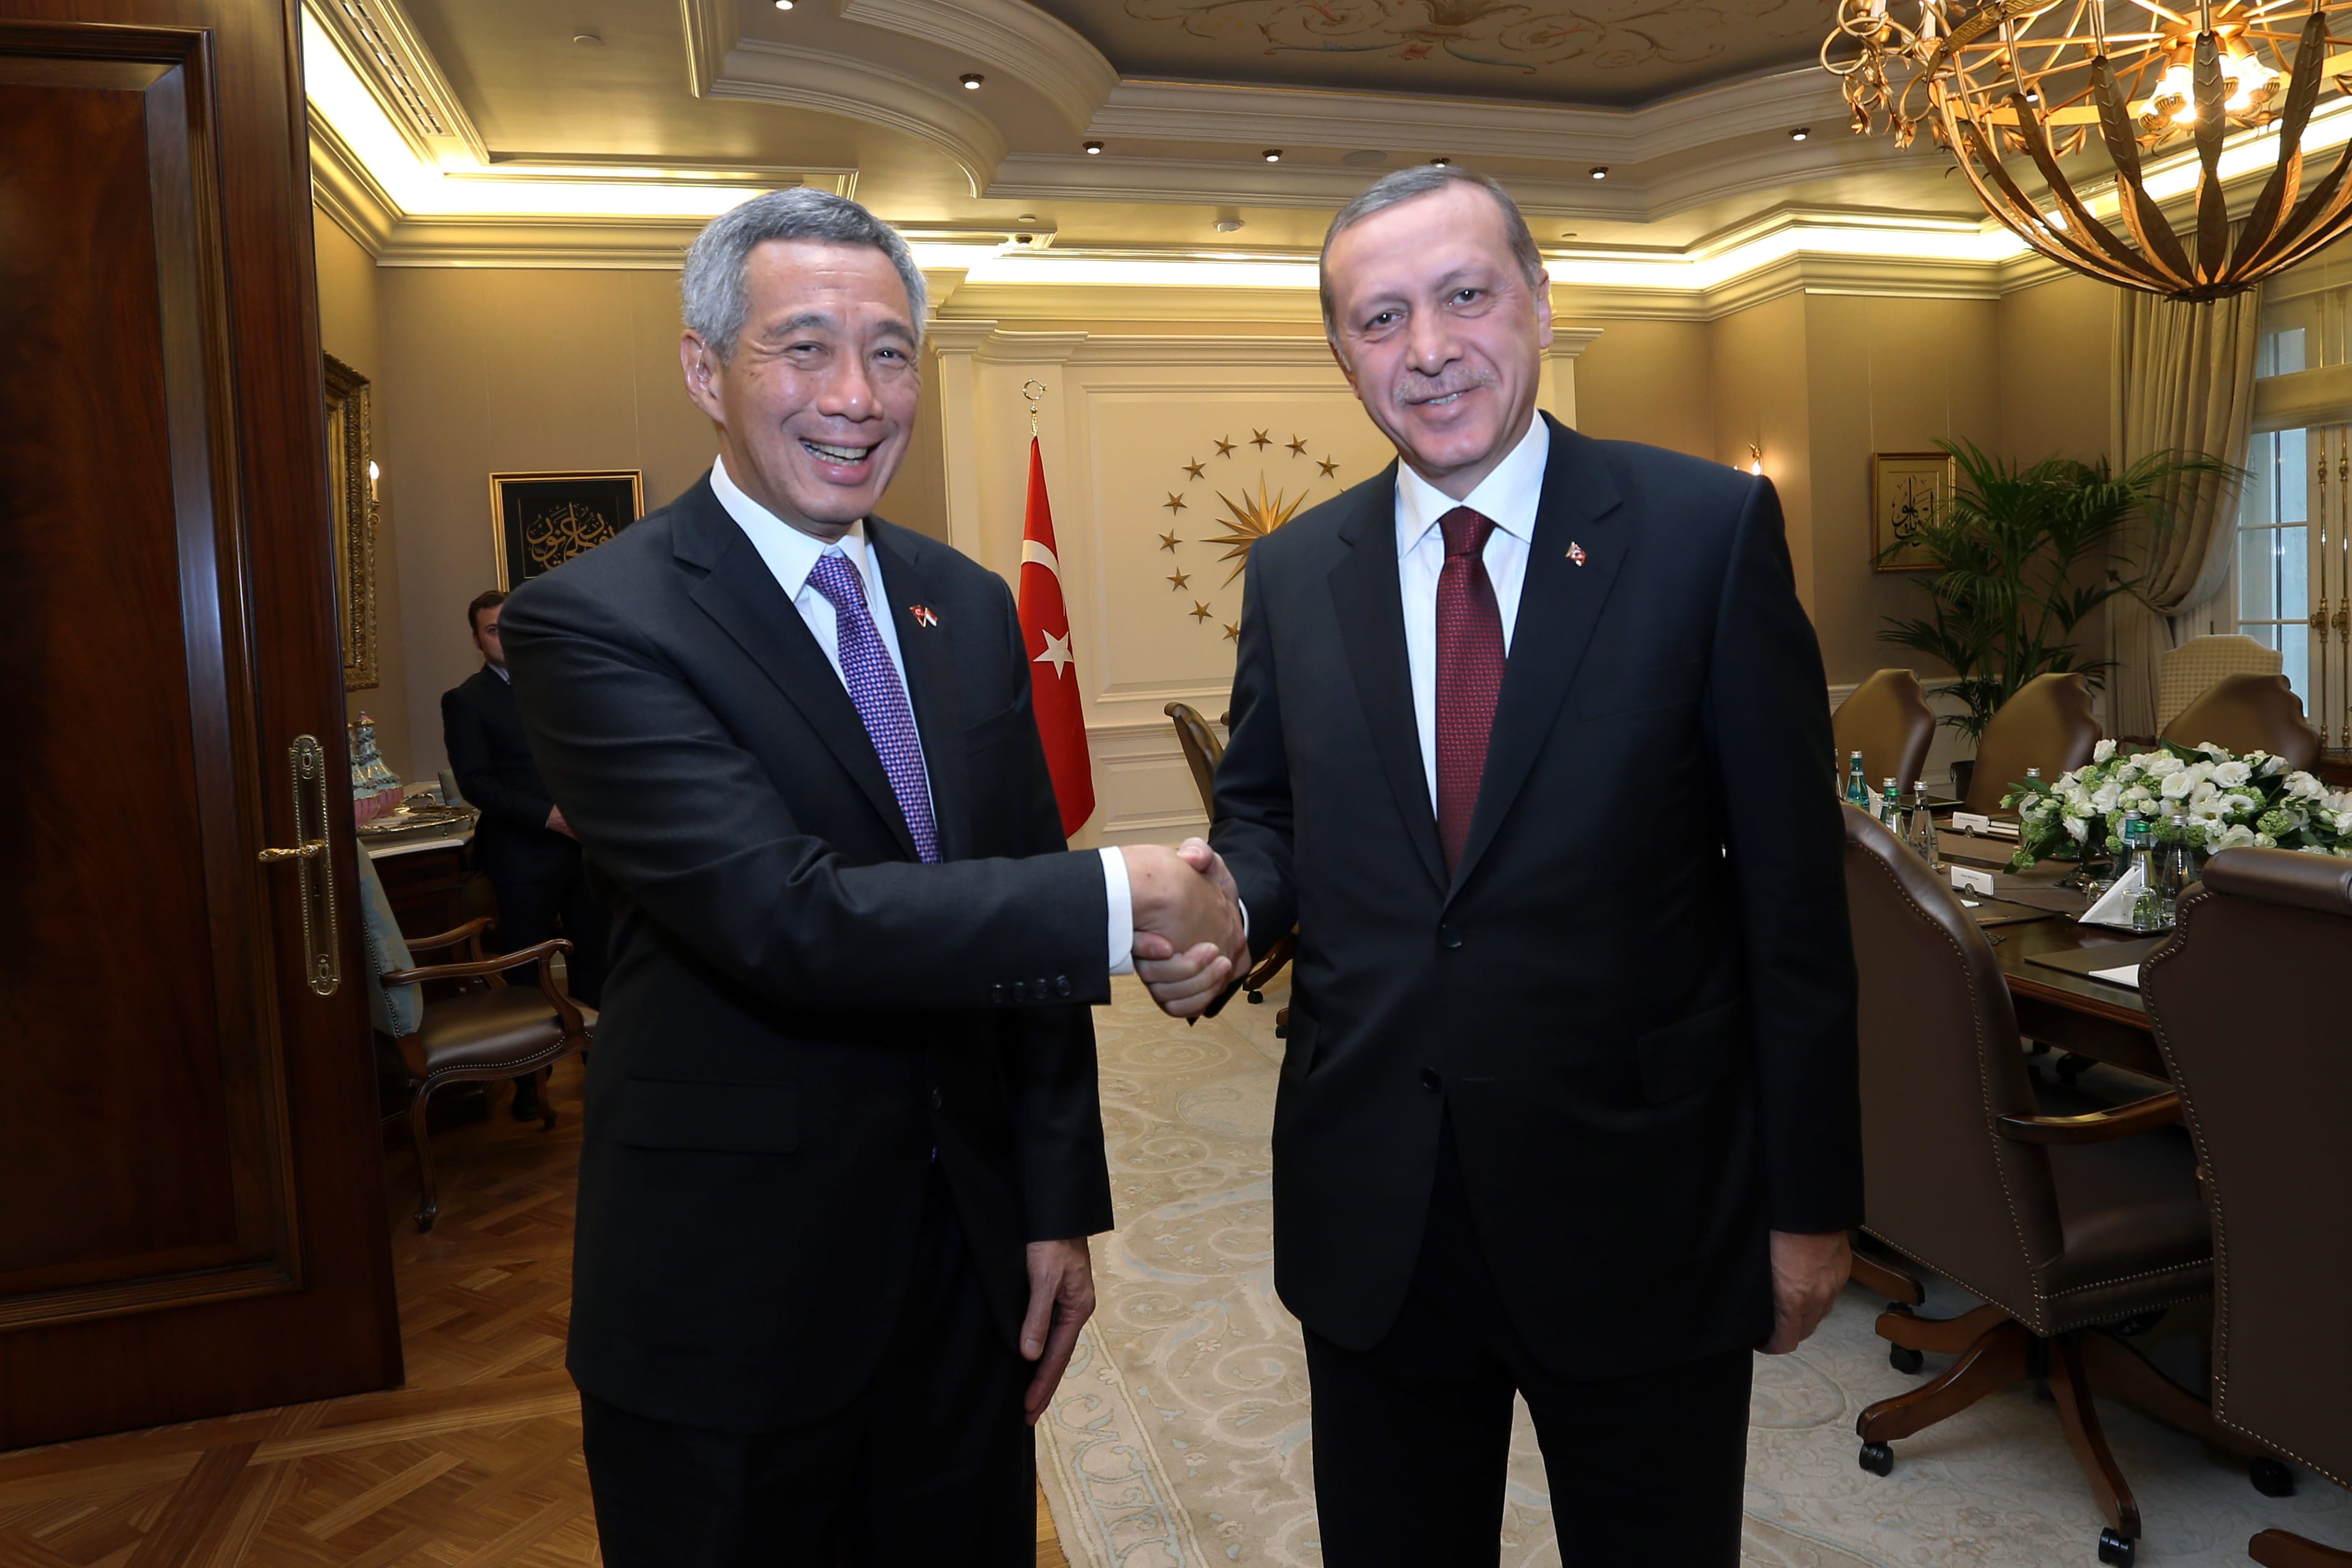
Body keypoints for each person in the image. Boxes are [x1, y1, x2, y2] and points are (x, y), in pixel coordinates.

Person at [496, 188, 1243, 1567]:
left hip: (963, 1279)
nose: (857, 395)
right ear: (703, 368)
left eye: (890, 351)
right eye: (805, 347)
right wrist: (1128, 890)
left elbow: (1012, 909)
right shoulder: (595, 619)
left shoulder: (960, 601)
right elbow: (788, 919)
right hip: (730, 1301)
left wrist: (1053, 1203)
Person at [1140, 165, 1863, 1564]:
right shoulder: (1295, 573)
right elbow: (1271, 821)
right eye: (1378, 318)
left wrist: (1812, 1205)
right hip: (1376, 1213)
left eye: (1463, 296)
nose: (1426, 350)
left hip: (1639, 1205)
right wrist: (1229, 909)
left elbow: (1791, 907)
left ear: (1538, 300)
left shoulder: (1704, 536)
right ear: (1342, 353)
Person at [440, 588, 612, 1120]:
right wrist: (548, 817)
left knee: (596, 963)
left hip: (583, 854)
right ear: (477, 639)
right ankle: (528, 1091)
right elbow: (477, 784)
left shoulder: (560, 684)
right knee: (526, 975)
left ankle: (603, 1080)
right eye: (493, 630)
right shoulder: (466, 699)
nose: (505, 637)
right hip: (520, 857)